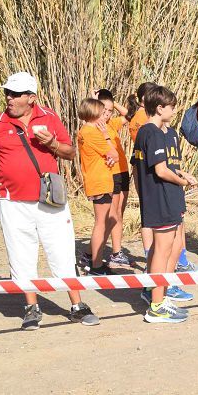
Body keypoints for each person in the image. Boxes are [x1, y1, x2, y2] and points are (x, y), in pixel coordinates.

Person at [0, 72, 99, 330]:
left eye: (16, 94)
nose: (9, 98)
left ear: (31, 97)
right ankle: (31, 307)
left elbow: (70, 153)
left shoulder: (49, 117)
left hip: (50, 198)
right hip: (12, 202)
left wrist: (52, 143)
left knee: (62, 250)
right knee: (20, 255)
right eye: (7, 92)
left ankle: (77, 305)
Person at [133, 85, 198, 323]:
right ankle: (157, 305)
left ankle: (157, 294)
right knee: (161, 249)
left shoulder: (151, 132)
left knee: (167, 248)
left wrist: (183, 175)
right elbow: (161, 170)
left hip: (162, 197)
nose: (173, 111)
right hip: (160, 198)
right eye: (171, 107)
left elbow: (165, 167)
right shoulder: (152, 133)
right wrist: (183, 181)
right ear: (160, 108)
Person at [76, 98, 119, 276]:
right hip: (99, 181)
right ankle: (95, 263)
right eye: (102, 112)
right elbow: (113, 153)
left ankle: (93, 259)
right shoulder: (92, 132)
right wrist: (106, 137)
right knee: (101, 223)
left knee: (106, 220)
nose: (105, 115)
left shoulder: (86, 131)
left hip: (99, 179)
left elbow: (111, 155)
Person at [96, 89, 132, 268]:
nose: (107, 114)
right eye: (104, 110)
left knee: (119, 215)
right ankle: (101, 252)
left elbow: (130, 114)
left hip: (123, 171)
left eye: (110, 111)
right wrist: (96, 102)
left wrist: (112, 101)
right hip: (111, 173)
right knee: (112, 215)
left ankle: (116, 252)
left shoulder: (113, 123)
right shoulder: (95, 127)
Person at [127, 82, 155, 261]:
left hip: (141, 163)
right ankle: (151, 257)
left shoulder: (139, 115)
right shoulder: (144, 117)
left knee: (148, 210)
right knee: (150, 212)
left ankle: (151, 256)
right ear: (143, 98)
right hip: (146, 164)